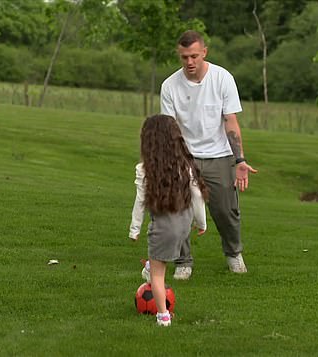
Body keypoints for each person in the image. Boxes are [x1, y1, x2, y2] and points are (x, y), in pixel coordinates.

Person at [160, 30, 257, 280]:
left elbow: (230, 121)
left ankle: (234, 254)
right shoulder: (169, 86)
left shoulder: (222, 78)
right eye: (184, 57)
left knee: (226, 211)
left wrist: (240, 159)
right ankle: (183, 262)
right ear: (178, 55)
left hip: (219, 156)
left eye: (194, 56)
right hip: (185, 157)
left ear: (204, 52)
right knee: (179, 210)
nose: (189, 62)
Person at [128, 114, 207, 327]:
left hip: (163, 228)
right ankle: (148, 267)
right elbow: (198, 196)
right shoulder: (185, 166)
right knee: (159, 253)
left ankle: (163, 316)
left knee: (157, 274)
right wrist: (201, 223)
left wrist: (134, 229)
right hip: (184, 226)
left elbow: (140, 201)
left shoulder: (144, 169)